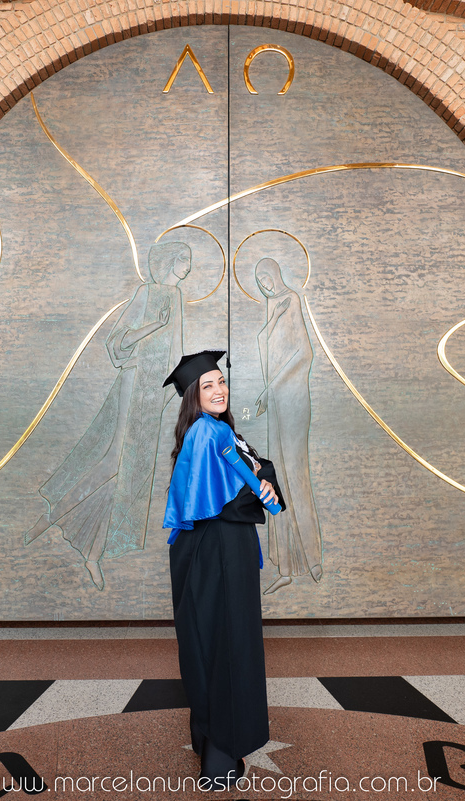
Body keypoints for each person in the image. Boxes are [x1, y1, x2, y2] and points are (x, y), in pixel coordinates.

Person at [23, 243, 191, 589]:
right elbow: (117, 342)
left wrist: (171, 392)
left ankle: (93, 554)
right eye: (184, 258)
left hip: (155, 391)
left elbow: (176, 352)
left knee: (127, 477)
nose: (188, 266)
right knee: (115, 461)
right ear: (169, 261)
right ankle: (48, 519)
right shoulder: (148, 292)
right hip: (134, 379)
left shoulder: (175, 296)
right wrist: (151, 328)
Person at [162, 350, 284, 788]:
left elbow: (253, 480)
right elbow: (211, 504)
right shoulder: (205, 434)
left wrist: (263, 482)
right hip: (218, 555)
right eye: (207, 385)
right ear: (193, 397)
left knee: (211, 643)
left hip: (214, 554)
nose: (218, 390)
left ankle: (210, 744)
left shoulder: (223, 433)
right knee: (226, 646)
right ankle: (219, 761)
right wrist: (255, 491)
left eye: (221, 382)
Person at [254, 257, 323, 593]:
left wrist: (273, 385)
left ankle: (311, 558)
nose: (265, 285)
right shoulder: (271, 308)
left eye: (267, 277)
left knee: (295, 473)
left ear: (277, 274)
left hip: (293, 399)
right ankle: (285, 565)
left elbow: (303, 352)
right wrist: (268, 391)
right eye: (259, 281)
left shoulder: (291, 300)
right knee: (275, 476)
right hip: (276, 402)